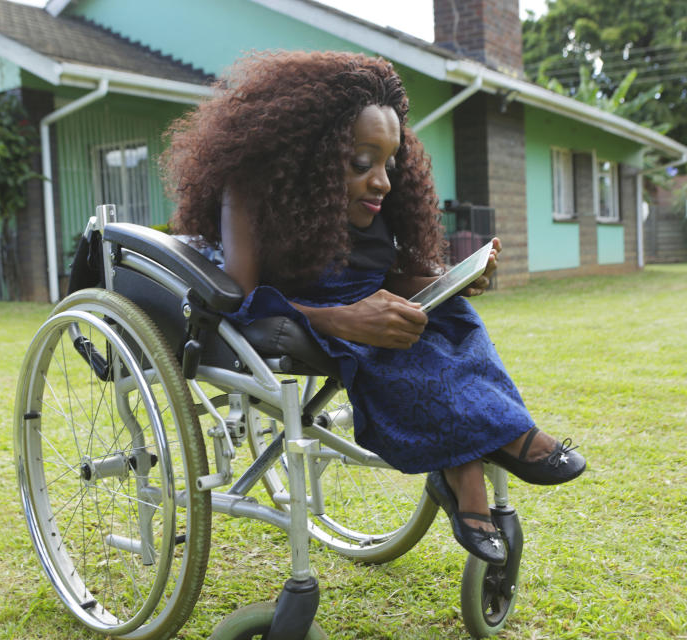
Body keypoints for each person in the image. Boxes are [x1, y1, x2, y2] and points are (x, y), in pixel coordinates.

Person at [162, 51, 585, 565]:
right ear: (309, 153)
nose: (382, 180)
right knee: (397, 354)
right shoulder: (251, 191)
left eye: (389, 161)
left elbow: (383, 276)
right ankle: (474, 476)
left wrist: (446, 281)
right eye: (363, 163)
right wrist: (340, 319)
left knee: (450, 319)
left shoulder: (381, 198)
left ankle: (503, 437)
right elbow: (241, 299)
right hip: (293, 311)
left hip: (367, 303)